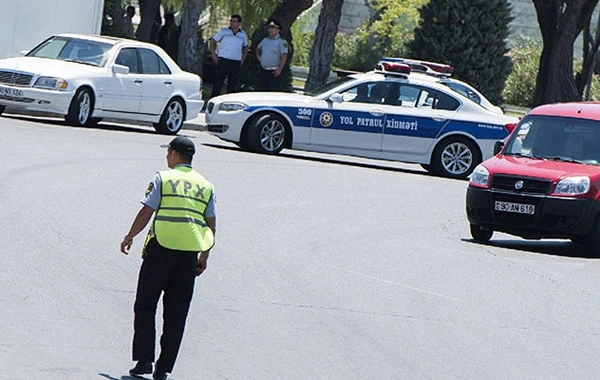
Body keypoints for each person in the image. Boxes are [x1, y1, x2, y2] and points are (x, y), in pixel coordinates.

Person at [121, 136, 216, 380]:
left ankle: (144, 360)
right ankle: (163, 369)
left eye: (168, 152)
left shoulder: (163, 178)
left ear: (174, 154)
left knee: (145, 304)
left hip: (160, 249)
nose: (166, 156)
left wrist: (129, 236)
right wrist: (204, 255)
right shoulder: (206, 185)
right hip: (188, 256)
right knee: (177, 312)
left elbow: (146, 211)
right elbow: (210, 224)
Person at [210, 14, 248, 97]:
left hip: (235, 61)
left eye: (234, 21)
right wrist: (213, 55)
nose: (231, 23)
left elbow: (245, 47)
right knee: (218, 82)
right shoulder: (224, 31)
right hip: (223, 60)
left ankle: (229, 102)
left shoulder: (243, 34)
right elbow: (213, 41)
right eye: (231, 21)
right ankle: (213, 99)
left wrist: (242, 59)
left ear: (239, 23)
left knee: (232, 84)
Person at [256, 19, 288, 91]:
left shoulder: (281, 42)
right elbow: (258, 48)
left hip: (274, 71)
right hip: (263, 69)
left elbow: (284, 56)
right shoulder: (265, 40)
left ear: (278, 30)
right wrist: (258, 57)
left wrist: (279, 69)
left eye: (273, 28)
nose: (270, 30)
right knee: (262, 90)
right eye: (270, 28)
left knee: (272, 91)